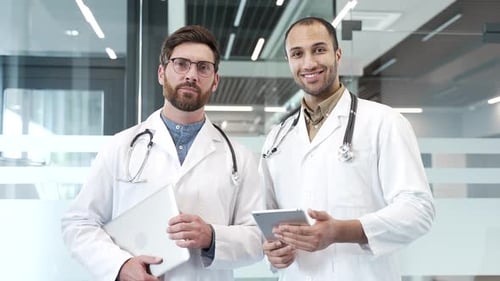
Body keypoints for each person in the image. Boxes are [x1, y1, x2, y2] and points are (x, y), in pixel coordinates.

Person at [61, 25, 264, 281]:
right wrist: (121, 265)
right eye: (181, 64)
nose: (191, 74)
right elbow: (78, 224)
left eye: (203, 67)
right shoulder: (121, 147)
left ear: (215, 81)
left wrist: (212, 237)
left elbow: (258, 240)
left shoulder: (239, 158)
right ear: (161, 73)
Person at [259, 17, 435, 280]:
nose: (309, 63)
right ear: (289, 61)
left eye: (319, 50)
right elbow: (268, 220)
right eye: (297, 54)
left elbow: (418, 210)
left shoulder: (384, 122)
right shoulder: (277, 138)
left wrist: (342, 231)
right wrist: (272, 251)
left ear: (337, 54)